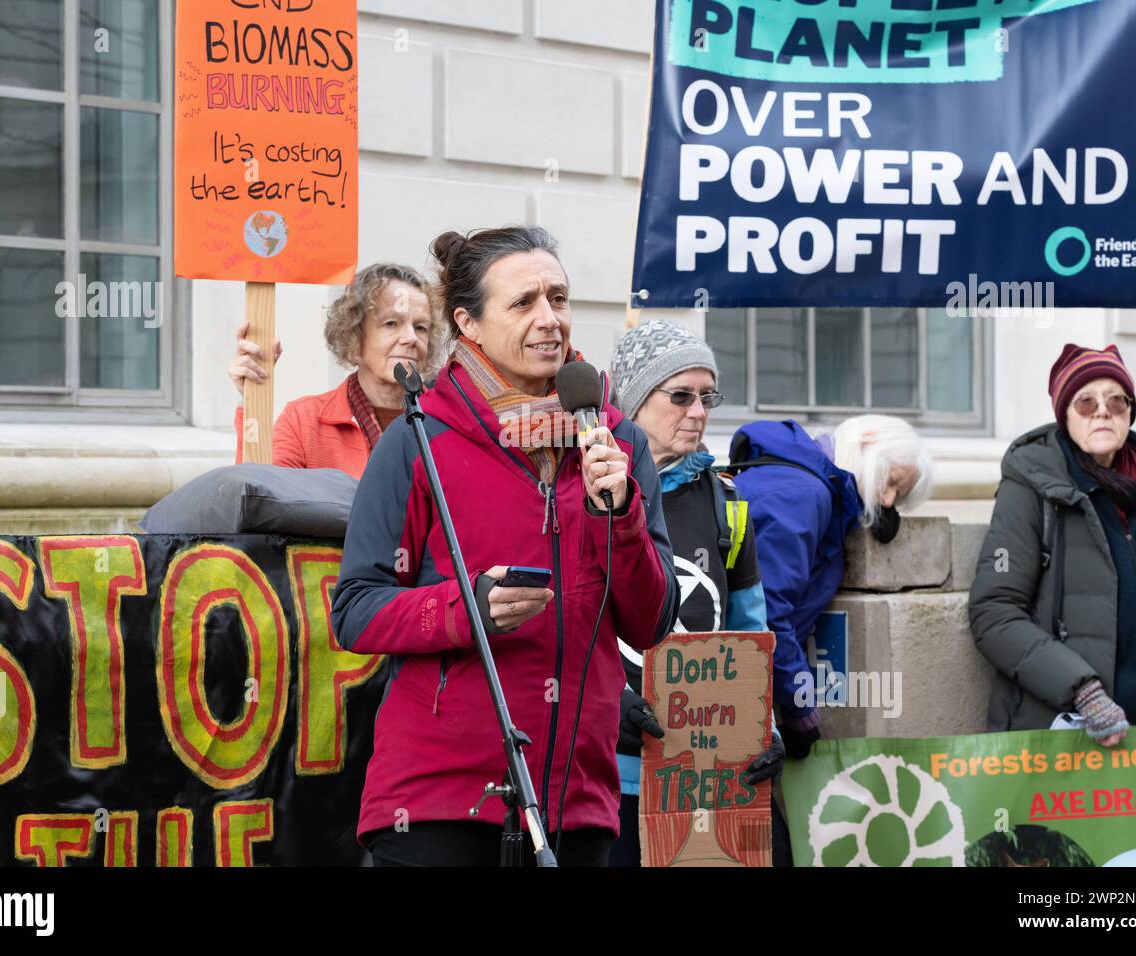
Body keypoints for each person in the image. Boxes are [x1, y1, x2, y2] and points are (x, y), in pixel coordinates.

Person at [330, 226, 680, 867]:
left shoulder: (617, 440)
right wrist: (468, 609)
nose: (550, 319)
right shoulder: (417, 439)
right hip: (437, 803)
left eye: (559, 298)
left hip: (576, 801)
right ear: (468, 322)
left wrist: (621, 516)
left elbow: (651, 620)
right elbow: (354, 608)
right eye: (524, 303)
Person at [606, 319, 784, 867]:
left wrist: (764, 727)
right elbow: (560, 626)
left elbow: (748, 632)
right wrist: (607, 705)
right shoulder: (590, 492)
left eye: (708, 396)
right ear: (634, 401)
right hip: (612, 778)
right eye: (680, 396)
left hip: (707, 780)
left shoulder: (727, 504)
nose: (699, 412)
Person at [970, 343, 1136, 743]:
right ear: (1064, 414)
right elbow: (994, 613)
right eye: (1085, 402)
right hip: (1082, 735)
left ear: (1130, 411)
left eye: (1116, 400)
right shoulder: (1030, 485)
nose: (1102, 411)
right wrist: (1083, 691)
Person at [728, 414, 932, 760]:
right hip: (728, 683)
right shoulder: (804, 494)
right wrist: (801, 710)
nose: (886, 500)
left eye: (899, 496)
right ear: (867, 444)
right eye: (891, 481)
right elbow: (768, 615)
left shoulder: (802, 481)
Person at [228, 262, 448, 476]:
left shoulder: (450, 421)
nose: (411, 338)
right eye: (391, 323)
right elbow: (261, 494)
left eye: (420, 327)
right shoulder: (304, 421)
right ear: (354, 333)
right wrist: (251, 397)